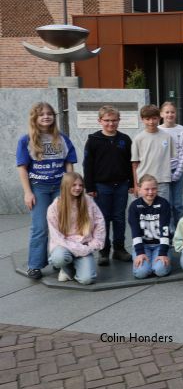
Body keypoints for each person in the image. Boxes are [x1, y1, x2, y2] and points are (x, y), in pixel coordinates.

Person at [17, 102, 78, 279]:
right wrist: (28, 192)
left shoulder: (62, 138)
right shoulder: (26, 140)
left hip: (60, 187)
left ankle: (64, 262)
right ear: (35, 118)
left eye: (50, 113)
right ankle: (35, 265)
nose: (46, 117)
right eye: (42, 114)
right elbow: (22, 168)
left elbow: (68, 163)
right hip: (39, 188)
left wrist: (71, 187)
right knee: (40, 227)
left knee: (64, 225)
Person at [83, 105, 133, 266]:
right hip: (101, 187)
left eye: (114, 120)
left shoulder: (125, 140)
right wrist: (89, 187)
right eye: (107, 121)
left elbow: (131, 163)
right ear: (100, 121)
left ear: (119, 121)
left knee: (119, 218)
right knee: (103, 219)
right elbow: (87, 165)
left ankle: (119, 249)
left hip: (121, 186)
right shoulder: (93, 140)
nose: (111, 124)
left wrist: (132, 183)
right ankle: (103, 251)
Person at [46, 172, 104, 285]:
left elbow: (99, 222)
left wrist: (93, 244)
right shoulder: (54, 207)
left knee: (87, 279)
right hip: (64, 246)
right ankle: (66, 267)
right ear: (66, 186)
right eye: (74, 185)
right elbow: (57, 237)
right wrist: (78, 250)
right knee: (58, 258)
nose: (78, 188)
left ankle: (73, 268)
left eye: (80, 185)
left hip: (84, 245)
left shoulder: (88, 201)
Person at [127, 174, 171, 280]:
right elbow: (135, 231)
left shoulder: (163, 203)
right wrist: (140, 252)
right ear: (139, 189)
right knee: (141, 273)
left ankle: (155, 264)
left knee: (160, 270)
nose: (150, 192)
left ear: (157, 189)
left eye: (153, 189)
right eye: (147, 189)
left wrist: (163, 253)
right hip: (143, 245)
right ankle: (150, 265)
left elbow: (165, 229)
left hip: (159, 244)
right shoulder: (134, 206)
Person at [131, 104, 174, 201]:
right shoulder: (138, 139)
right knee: (145, 211)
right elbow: (135, 164)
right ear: (142, 119)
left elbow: (171, 158)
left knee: (163, 209)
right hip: (144, 182)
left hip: (162, 181)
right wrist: (135, 184)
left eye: (154, 118)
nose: (151, 122)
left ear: (159, 118)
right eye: (147, 119)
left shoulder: (167, 137)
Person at [159, 101, 183, 230]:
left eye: (172, 112)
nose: (170, 114)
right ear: (161, 114)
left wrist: (178, 172)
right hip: (162, 172)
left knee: (177, 204)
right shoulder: (158, 130)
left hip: (177, 170)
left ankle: (180, 230)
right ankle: (170, 231)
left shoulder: (182, 130)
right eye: (167, 112)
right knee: (167, 203)